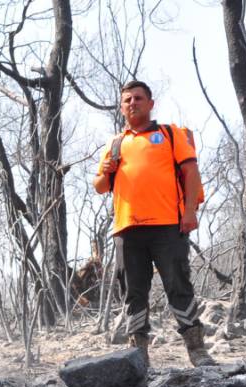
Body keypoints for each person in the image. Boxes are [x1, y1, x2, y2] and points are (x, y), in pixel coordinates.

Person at [92, 81, 216, 367]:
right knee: (133, 290)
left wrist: (189, 212)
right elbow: (99, 186)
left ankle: (197, 350)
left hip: (168, 226)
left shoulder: (170, 134)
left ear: (150, 103)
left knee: (178, 283)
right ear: (122, 107)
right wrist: (106, 171)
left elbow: (191, 171)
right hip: (127, 229)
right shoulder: (115, 143)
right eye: (127, 100)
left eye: (138, 98)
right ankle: (139, 355)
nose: (132, 103)